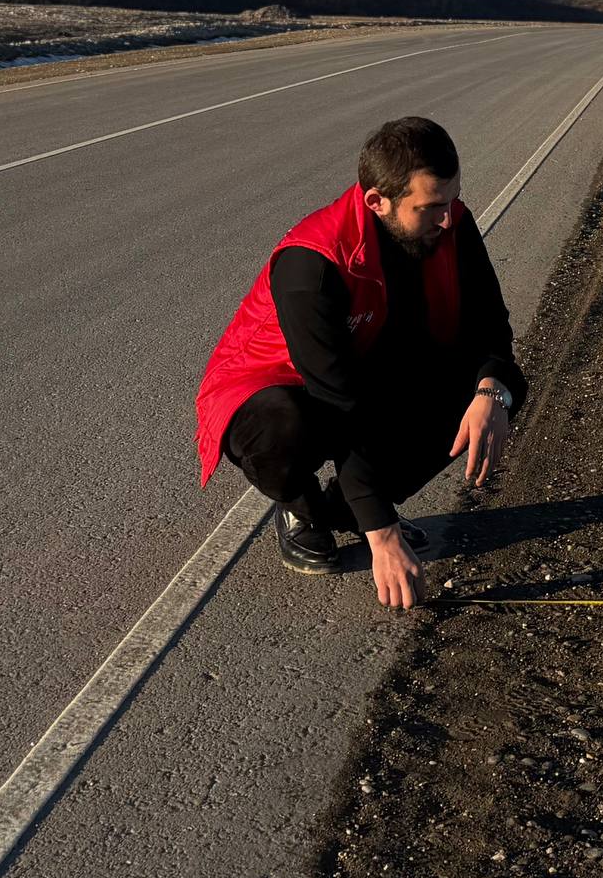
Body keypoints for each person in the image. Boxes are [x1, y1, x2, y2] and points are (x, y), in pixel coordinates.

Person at [195, 116, 527, 610]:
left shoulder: (451, 221)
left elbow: (489, 324)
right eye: (431, 207)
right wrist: (384, 536)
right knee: (289, 427)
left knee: (501, 389)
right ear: (377, 201)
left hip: (368, 362)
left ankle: (346, 509)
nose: (447, 218)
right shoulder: (312, 263)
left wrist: (489, 392)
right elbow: (338, 402)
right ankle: (301, 506)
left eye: (453, 200)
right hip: (274, 387)